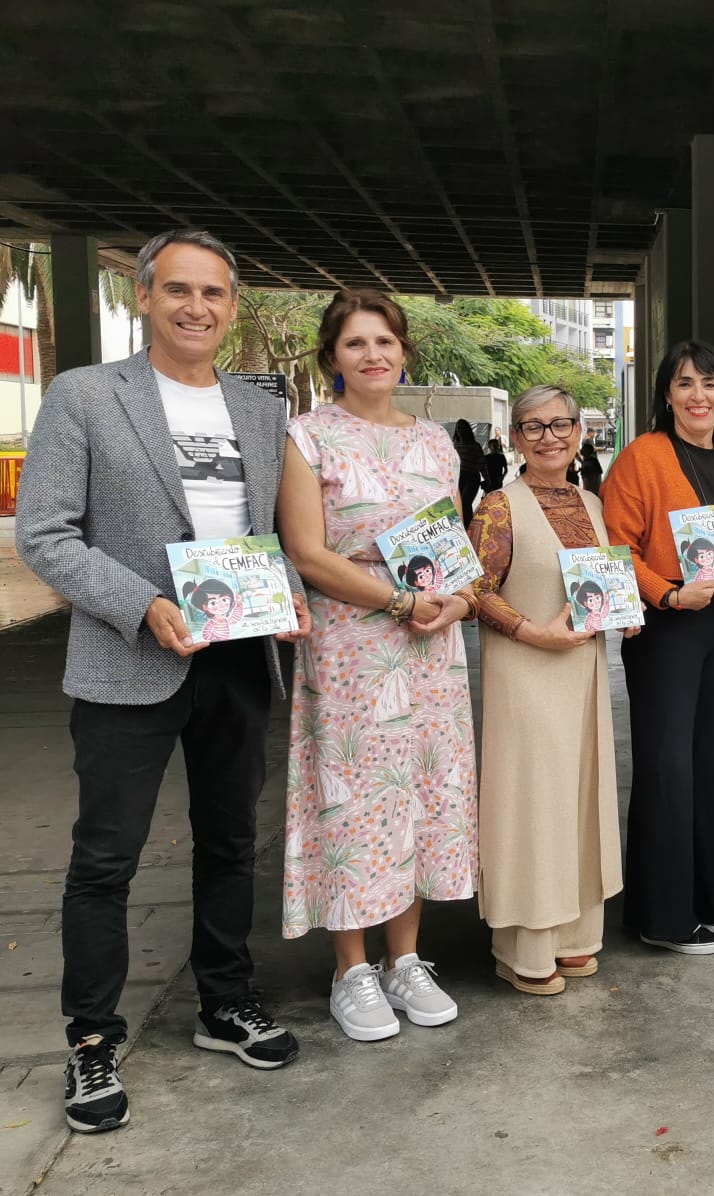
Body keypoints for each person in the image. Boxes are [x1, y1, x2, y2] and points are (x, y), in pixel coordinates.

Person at [17, 228, 309, 1134]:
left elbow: (268, 535)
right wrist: (140, 604)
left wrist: (287, 599)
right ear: (143, 296)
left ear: (232, 306)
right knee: (106, 858)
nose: (196, 307)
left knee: (231, 841)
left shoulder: (259, 410)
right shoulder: (85, 395)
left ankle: (226, 1002)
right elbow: (45, 534)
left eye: (213, 292)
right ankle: (91, 1039)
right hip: (128, 657)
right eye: (178, 289)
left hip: (236, 657)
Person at [278, 291, 478, 1041]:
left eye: (385, 341)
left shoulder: (435, 443)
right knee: (353, 797)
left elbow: (452, 546)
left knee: (418, 792)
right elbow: (308, 552)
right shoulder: (309, 437)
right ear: (332, 355)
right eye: (356, 343)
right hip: (352, 646)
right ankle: (351, 969)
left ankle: (406, 960)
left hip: (431, 649)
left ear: (404, 351)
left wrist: (456, 602)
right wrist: (398, 601)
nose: (373, 355)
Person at [601, 340, 714, 955]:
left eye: (710, 384)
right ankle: (663, 916)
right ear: (667, 394)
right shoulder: (641, 457)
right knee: (668, 767)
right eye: (685, 383)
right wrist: (667, 595)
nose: (699, 396)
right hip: (664, 627)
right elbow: (618, 548)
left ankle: (710, 898)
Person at [467, 384, 629, 994]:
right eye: (533, 427)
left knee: (580, 800)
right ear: (515, 439)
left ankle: (573, 936)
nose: (549, 437)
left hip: (583, 674)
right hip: (525, 674)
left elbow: (600, 582)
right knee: (533, 804)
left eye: (561, 424)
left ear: (580, 432)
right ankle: (524, 949)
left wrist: (623, 611)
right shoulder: (497, 508)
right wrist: (531, 630)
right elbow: (472, 591)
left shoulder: (591, 502)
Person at [453, 419, 485, 519]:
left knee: (465, 503)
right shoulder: (454, 445)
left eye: (462, 428)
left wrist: (487, 479)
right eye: (458, 428)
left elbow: (482, 463)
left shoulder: (475, 446)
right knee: (458, 504)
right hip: (459, 477)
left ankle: (468, 526)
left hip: (472, 477)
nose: (460, 430)